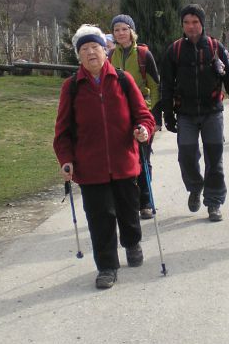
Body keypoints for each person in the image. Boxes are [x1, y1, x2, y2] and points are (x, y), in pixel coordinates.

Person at [53, 24, 155, 289]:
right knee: (100, 219)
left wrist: (143, 129)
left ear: (104, 50)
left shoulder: (123, 80)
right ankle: (107, 266)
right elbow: (62, 132)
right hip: (91, 167)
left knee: (128, 211)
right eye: (84, 49)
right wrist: (66, 159)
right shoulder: (71, 87)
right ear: (79, 56)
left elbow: (144, 115)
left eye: (95, 47)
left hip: (124, 162)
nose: (90, 53)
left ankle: (132, 243)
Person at [159, 4, 229, 222]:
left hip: (212, 112)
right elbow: (166, 85)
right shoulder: (174, 50)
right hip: (185, 114)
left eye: (195, 22)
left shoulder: (216, 47)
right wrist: (168, 113)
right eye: (186, 22)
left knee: (214, 160)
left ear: (202, 23)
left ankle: (214, 202)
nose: (191, 26)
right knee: (186, 157)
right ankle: (195, 187)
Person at [108, 14, 161, 220]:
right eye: (116, 30)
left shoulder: (143, 54)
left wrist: (156, 116)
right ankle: (128, 201)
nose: (120, 33)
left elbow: (155, 86)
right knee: (123, 160)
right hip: (119, 115)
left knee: (142, 158)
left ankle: (146, 202)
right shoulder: (110, 55)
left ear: (131, 31)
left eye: (124, 29)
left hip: (142, 112)